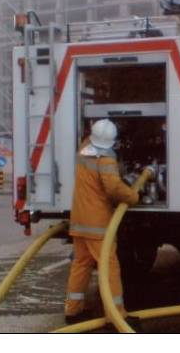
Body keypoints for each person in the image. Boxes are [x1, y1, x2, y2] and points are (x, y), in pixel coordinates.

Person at [65, 119, 145, 325]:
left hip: (79, 220)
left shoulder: (83, 149)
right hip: (98, 225)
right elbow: (114, 188)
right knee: (109, 267)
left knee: (81, 264)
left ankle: (72, 312)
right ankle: (116, 316)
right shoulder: (106, 160)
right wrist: (134, 196)